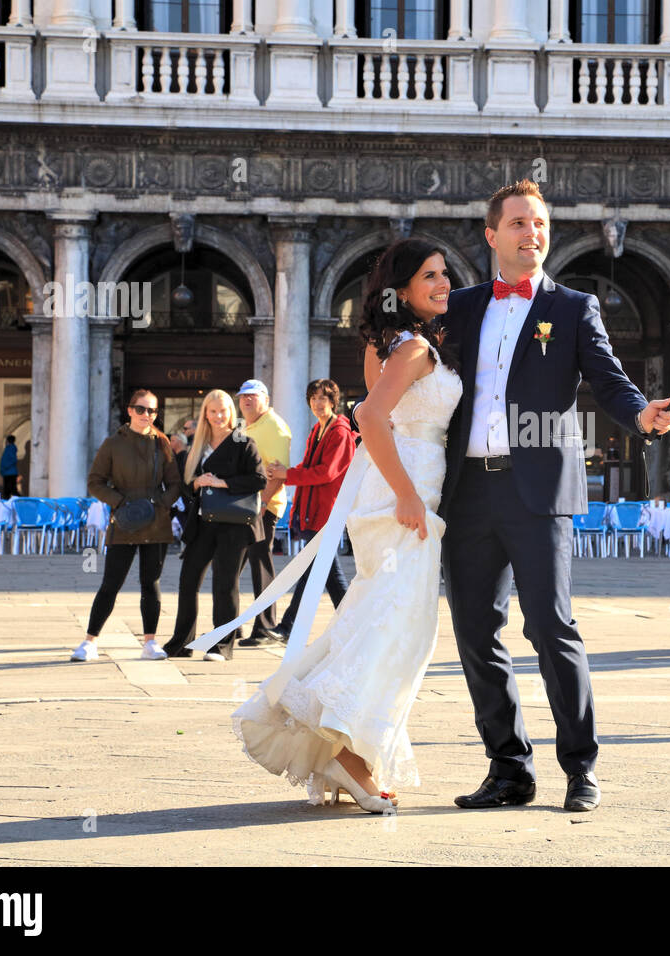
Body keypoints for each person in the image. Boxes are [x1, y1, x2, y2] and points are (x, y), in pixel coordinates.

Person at [439, 179, 670, 813]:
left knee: (551, 627)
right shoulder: (460, 308)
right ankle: (508, 768)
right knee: (474, 631)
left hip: (539, 492)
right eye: (518, 223)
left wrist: (642, 415)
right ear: (492, 235)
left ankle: (580, 765)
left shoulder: (574, 307)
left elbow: (609, 379)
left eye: (540, 223)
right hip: (466, 492)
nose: (532, 233)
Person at [230, 238, 461, 813]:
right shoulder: (412, 350)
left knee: (377, 618)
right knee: (400, 628)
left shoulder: (387, 345)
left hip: (397, 493)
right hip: (405, 497)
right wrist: (408, 494)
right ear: (401, 290)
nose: (443, 283)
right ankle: (350, 759)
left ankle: (339, 751)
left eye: (445, 274)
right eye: (429, 275)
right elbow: (370, 417)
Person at [71, 390, 183, 663]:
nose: (147, 415)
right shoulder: (113, 444)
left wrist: (161, 505)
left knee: (151, 583)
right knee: (111, 583)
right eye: (141, 409)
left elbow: (176, 483)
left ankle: (150, 641)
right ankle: (89, 641)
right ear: (130, 410)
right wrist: (119, 503)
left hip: (155, 523)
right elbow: (95, 481)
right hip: (123, 522)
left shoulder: (162, 443)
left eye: (152, 411)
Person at [162, 389, 267, 662]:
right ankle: (181, 642)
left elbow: (259, 480)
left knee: (224, 583)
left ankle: (221, 645)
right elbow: (186, 487)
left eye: (223, 411)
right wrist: (196, 483)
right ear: (205, 414)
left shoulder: (243, 441)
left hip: (234, 524)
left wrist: (223, 483)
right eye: (213, 411)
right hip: (203, 523)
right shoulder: (198, 444)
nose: (218, 416)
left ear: (230, 412)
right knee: (187, 581)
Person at [262, 378, 356, 641]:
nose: (317, 403)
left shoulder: (339, 431)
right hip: (315, 511)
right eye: (313, 398)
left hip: (327, 511)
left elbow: (326, 473)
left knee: (321, 571)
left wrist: (286, 475)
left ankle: (289, 627)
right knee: (325, 573)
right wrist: (285, 472)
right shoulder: (318, 430)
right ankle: (351, 627)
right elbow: (307, 467)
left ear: (333, 401)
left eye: (322, 398)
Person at [234, 379, 293, 646]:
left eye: (253, 397)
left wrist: (262, 505)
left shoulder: (274, 426)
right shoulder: (242, 425)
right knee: (232, 566)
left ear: (266, 400)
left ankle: (265, 628)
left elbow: (278, 473)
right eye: (243, 397)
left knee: (260, 566)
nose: (246, 401)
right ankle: (232, 625)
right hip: (241, 506)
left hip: (263, 508)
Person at [0, 435, 19, 499]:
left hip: (9, 473)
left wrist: (5, 467)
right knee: (9, 490)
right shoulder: (9, 448)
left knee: (11, 490)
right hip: (8, 472)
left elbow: (13, 460)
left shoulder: (10, 448)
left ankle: (20, 502)